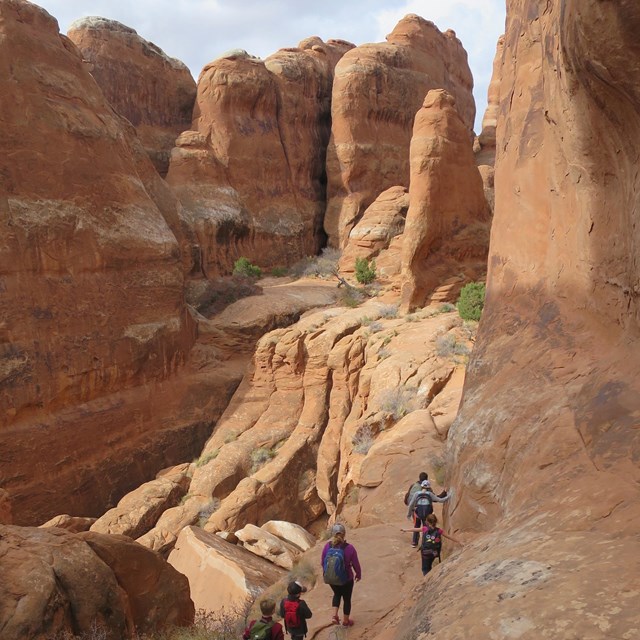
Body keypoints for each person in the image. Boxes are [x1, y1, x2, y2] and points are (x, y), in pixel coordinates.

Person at [321, 523, 362, 627]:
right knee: (346, 599)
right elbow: (356, 564)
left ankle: (334, 616)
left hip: (331, 579)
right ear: (344, 534)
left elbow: (323, 562)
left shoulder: (327, 546)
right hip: (346, 579)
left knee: (337, 594)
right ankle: (346, 621)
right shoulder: (349, 548)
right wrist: (358, 574)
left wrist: (328, 573)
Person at [406, 480, 450, 547]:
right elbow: (440, 500)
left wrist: (409, 515)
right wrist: (449, 496)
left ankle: (414, 542)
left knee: (417, 526)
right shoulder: (430, 494)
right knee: (426, 528)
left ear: (422, 486)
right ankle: (425, 543)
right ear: (429, 487)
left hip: (418, 513)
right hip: (427, 515)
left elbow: (411, 504)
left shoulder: (417, 494)